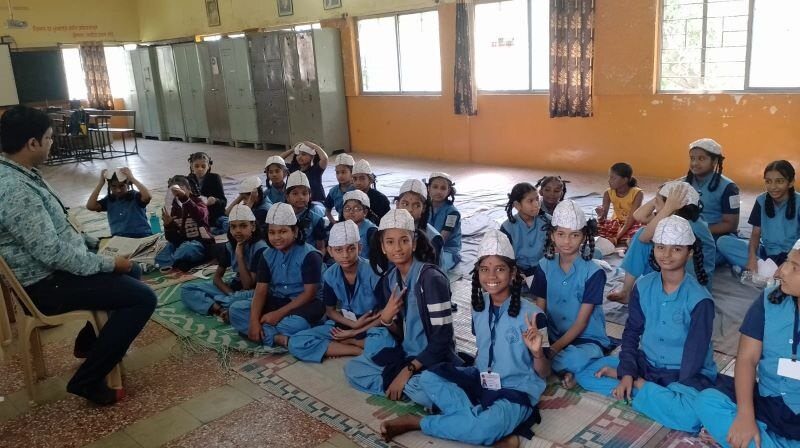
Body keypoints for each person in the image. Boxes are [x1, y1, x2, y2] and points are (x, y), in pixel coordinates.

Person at [0, 105, 156, 405]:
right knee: (143, 298)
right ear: (32, 143)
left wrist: (95, 245)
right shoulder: (14, 189)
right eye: (48, 137)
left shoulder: (20, 173)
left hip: (51, 271)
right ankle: (87, 380)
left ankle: (89, 343)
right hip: (45, 284)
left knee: (133, 272)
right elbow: (52, 252)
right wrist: (110, 262)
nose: (52, 142)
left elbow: (58, 230)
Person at [379, 230, 549, 446]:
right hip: (481, 380)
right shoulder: (479, 308)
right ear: (477, 273)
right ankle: (484, 424)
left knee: (483, 428)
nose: (492, 277)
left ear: (513, 273)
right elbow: (484, 349)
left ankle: (420, 422)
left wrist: (537, 353)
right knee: (428, 379)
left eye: (500, 269)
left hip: (515, 391)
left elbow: (544, 372)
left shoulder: (535, 316)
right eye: (485, 270)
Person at [580, 216, 715, 433]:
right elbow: (632, 332)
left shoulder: (700, 299)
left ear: (689, 253)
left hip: (684, 372)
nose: (667, 255)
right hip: (648, 364)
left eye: (676, 249)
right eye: (660, 247)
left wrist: (634, 379)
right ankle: (645, 390)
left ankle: (639, 387)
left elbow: (695, 354)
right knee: (587, 373)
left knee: (690, 416)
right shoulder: (643, 286)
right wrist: (626, 372)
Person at [344, 209, 460, 408]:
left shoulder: (430, 279)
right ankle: (410, 386)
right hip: (407, 353)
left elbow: (443, 338)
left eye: (404, 240)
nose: (397, 248)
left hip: (432, 357)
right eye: (390, 242)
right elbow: (401, 333)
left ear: (414, 243)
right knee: (353, 368)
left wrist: (407, 370)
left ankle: (412, 384)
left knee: (423, 391)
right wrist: (387, 320)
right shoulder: (390, 280)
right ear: (382, 247)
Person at [694, 239, 800, 448]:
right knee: (707, 401)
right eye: (787, 262)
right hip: (768, 401)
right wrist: (745, 416)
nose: (781, 272)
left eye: (795, 268)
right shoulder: (770, 299)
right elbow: (746, 358)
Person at [531, 200, 609, 390]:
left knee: (574, 358)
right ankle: (563, 372)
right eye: (561, 234)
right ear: (552, 235)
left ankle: (551, 370)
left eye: (574, 235)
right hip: (552, 333)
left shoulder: (594, 273)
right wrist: (541, 343)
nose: (567, 241)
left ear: (584, 236)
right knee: (518, 345)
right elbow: (539, 310)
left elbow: (582, 323)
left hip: (586, 338)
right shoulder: (544, 266)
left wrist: (553, 351)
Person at [228, 203, 325, 347]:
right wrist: (254, 321)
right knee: (235, 310)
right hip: (277, 299)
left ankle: (265, 334)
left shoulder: (310, 255)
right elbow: (260, 291)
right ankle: (277, 338)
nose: (276, 237)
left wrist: (278, 314)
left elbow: (309, 294)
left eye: (283, 231)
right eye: (272, 232)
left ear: (295, 231)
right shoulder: (267, 254)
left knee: (294, 324)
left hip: (305, 303)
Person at [288, 220, 382, 362]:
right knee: (296, 342)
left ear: (360, 248)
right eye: (338, 250)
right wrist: (352, 326)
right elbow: (330, 311)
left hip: (372, 325)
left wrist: (355, 332)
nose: (345, 255)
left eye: (351, 249)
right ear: (330, 251)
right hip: (346, 322)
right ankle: (356, 349)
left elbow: (385, 314)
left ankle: (350, 342)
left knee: (386, 344)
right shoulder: (330, 274)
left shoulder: (374, 272)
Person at [609, 181, 716, 303]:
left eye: (657, 201)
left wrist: (668, 206)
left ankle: (626, 291)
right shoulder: (678, 216)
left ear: (673, 207)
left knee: (642, 235)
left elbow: (643, 238)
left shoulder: (683, 225)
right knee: (644, 232)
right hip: (676, 271)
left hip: (688, 284)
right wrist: (663, 196)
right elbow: (639, 216)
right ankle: (626, 292)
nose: (654, 203)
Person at [180, 204, 267, 320]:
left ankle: (227, 306)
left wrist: (239, 256)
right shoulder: (230, 246)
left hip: (253, 292)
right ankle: (219, 309)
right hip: (234, 290)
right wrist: (230, 294)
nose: (238, 231)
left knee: (240, 302)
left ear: (253, 227)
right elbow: (216, 278)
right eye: (233, 227)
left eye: (243, 226)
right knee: (187, 289)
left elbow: (248, 285)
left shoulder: (261, 249)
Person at [717, 160, 799, 273]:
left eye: (779, 181)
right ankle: (771, 272)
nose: (773, 187)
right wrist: (752, 259)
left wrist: (790, 262)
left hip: (792, 256)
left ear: (790, 182)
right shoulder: (761, 200)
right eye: (768, 181)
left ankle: (771, 272)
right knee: (723, 242)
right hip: (766, 253)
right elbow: (755, 234)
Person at [155, 175, 214, 271]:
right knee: (162, 248)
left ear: (189, 189)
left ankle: (172, 262)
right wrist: (168, 226)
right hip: (180, 244)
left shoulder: (199, 202)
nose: (177, 194)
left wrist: (185, 198)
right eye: (173, 192)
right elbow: (171, 239)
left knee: (188, 248)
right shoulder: (171, 208)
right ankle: (179, 261)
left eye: (180, 190)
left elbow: (200, 215)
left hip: (199, 244)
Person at [684, 138, 740, 237]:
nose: (694, 163)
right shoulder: (682, 183)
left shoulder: (729, 188)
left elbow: (731, 225)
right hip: (686, 235)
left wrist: (698, 230)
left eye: (701, 159)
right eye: (692, 158)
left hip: (716, 237)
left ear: (715, 161)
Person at [501, 182, 550, 288]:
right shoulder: (507, 227)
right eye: (530, 201)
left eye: (537, 199)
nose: (536, 204)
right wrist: (514, 272)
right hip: (519, 270)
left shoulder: (548, 221)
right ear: (517, 205)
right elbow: (504, 256)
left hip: (544, 268)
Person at [86, 167, 152, 238]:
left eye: (122, 186)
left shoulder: (135, 196)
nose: (118, 190)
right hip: (119, 238)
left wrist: (132, 178)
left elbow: (147, 196)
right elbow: (90, 206)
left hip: (141, 235)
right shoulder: (109, 199)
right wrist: (100, 183)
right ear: (109, 187)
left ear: (128, 184)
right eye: (114, 186)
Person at [396, 179, 444, 267]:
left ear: (424, 208)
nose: (410, 210)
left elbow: (431, 272)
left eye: (416, 205)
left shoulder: (433, 238)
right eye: (405, 204)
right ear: (397, 205)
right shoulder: (389, 230)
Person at [596, 162, 644, 246]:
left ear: (625, 180)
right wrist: (600, 215)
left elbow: (631, 220)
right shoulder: (608, 193)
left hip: (632, 223)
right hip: (616, 223)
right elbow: (603, 220)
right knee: (595, 228)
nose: (609, 180)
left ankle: (622, 238)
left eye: (613, 178)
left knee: (639, 233)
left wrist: (616, 238)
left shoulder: (637, 193)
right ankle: (624, 239)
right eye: (609, 177)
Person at [427, 172, 462, 272]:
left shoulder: (453, 213)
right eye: (435, 187)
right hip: (427, 246)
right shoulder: (424, 207)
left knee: (434, 269)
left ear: (448, 191)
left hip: (447, 250)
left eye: (443, 188)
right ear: (428, 188)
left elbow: (442, 239)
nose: (438, 191)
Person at [285, 171, 327, 252]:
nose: (300, 197)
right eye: (295, 194)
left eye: (304, 193)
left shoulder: (316, 219)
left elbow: (321, 248)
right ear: (287, 196)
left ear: (310, 195)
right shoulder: (281, 216)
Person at [186, 152, 227, 233]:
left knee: (228, 225)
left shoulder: (215, 178)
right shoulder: (188, 180)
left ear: (208, 166)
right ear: (191, 166)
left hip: (216, 216)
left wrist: (215, 200)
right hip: (198, 217)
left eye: (203, 166)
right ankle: (209, 231)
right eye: (196, 166)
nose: (200, 169)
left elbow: (223, 202)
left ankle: (212, 231)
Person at [341, 189, 378, 259]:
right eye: (347, 208)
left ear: (365, 212)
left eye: (356, 208)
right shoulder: (342, 228)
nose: (351, 212)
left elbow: (377, 258)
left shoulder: (372, 231)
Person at [324, 153, 356, 224]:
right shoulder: (334, 191)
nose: (340, 176)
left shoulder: (357, 189)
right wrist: (334, 223)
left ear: (352, 172)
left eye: (343, 172)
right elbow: (327, 210)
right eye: (337, 173)